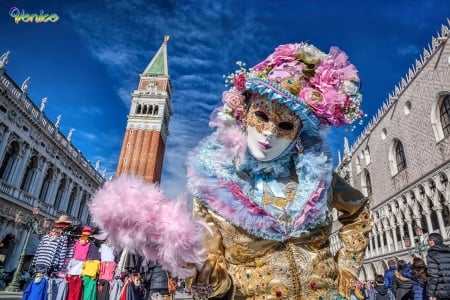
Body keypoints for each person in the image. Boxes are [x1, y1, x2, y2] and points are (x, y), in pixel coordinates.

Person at [91, 42, 371, 299]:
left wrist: (347, 269)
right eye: (261, 116)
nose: (270, 133)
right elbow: (217, 280)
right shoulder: (214, 190)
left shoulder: (317, 178)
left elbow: (358, 211)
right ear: (244, 115)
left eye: (285, 126)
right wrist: (198, 269)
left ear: (298, 132)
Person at [426, 232, 450, 300]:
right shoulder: (448, 251)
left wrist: (431, 294)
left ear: (432, 242)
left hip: (442, 292)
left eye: (428, 240)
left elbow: (433, 276)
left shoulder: (432, 255)